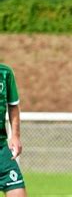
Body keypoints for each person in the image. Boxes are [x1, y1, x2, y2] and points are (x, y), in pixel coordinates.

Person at [0, 64, 27, 196]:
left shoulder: (5, 72)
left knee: (18, 192)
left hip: (1, 150)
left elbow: (13, 105)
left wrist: (15, 136)